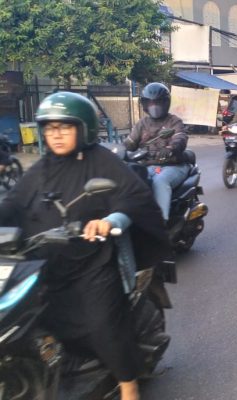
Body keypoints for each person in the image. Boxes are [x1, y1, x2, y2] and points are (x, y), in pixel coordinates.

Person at [0, 92, 171, 400]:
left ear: (83, 128)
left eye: (64, 127)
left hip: (92, 264)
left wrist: (111, 221)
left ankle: (129, 386)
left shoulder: (102, 161)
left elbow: (133, 198)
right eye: (50, 128)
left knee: (103, 326)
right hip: (44, 262)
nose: (57, 135)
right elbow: (12, 204)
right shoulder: (42, 168)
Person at [125, 82, 189, 222]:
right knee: (132, 181)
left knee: (160, 182)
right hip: (149, 165)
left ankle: (161, 222)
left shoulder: (174, 121)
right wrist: (120, 150)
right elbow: (130, 143)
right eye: (150, 102)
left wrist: (170, 148)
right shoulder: (142, 124)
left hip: (173, 165)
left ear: (166, 102)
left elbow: (180, 138)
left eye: (158, 102)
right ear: (145, 104)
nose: (154, 105)